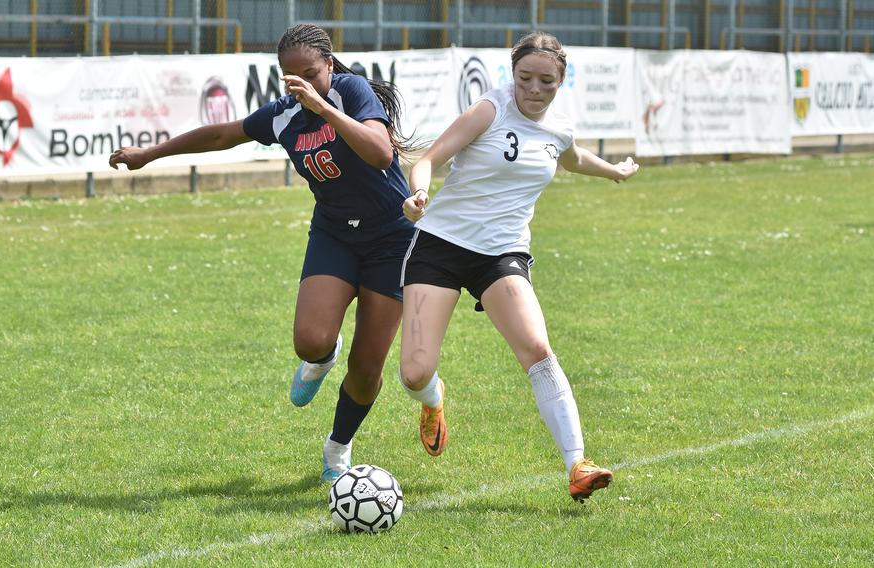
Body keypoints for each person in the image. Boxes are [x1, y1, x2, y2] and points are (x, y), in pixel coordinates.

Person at [109, 24, 415, 483]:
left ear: (330, 65)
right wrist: (148, 154)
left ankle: (337, 450)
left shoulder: (351, 91)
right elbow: (220, 136)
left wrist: (325, 109)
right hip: (335, 233)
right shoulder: (284, 114)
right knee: (310, 341)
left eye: (310, 74)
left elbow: (380, 154)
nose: (300, 85)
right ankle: (322, 355)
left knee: (367, 365)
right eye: (290, 77)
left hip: (392, 237)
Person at [398, 31, 639, 503]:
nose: (534, 88)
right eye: (525, 77)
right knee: (413, 372)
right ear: (512, 75)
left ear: (562, 80)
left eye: (546, 81)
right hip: (441, 244)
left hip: (503, 253)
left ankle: (578, 463)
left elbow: (573, 158)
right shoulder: (489, 109)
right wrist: (420, 193)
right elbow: (428, 159)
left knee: (536, 346)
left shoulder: (558, 127)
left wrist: (615, 171)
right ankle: (433, 400)